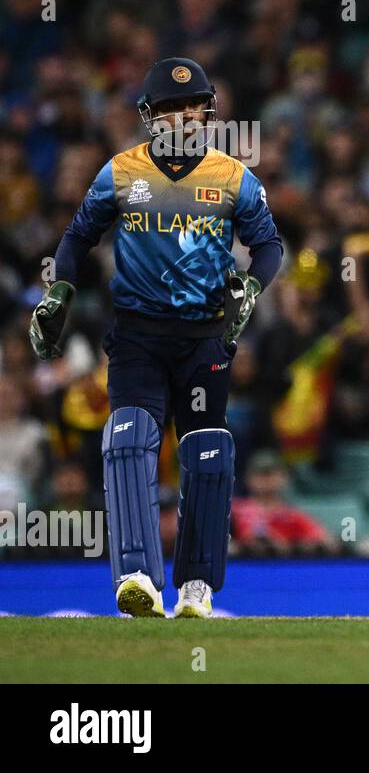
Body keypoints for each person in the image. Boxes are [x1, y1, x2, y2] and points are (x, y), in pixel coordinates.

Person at [28, 57, 283, 618]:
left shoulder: (233, 176)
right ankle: (138, 576)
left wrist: (250, 286)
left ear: (208, 111)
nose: (185, 116)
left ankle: (196, 587)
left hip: (206, 338)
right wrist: (59, 294)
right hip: (138, 336)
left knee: (208, 453)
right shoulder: (120, 172)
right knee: (127, 437)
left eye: (194, 106)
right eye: (172, 108)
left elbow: (269, 246)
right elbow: (76, 239)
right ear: (151, 116)